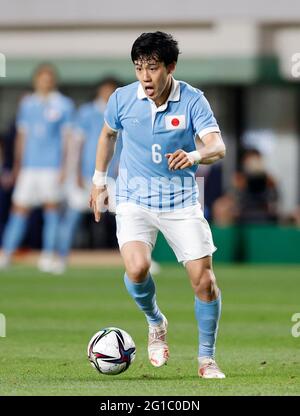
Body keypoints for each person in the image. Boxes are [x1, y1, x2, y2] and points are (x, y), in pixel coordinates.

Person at [90, 32, 226, 378]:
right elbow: (107, 135)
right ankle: (155, 322)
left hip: (181, 201)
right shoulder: (122, 99)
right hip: (134, 198)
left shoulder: (193, 100)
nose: (145, 77)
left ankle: (206, 358)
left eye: (152, 68)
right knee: (136, 269)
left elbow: (217, 146)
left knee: (204, 281)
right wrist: (98, 180)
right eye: (139, 68)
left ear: (170, 67)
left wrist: (194, 154)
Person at [0, 64, 74, 271]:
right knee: (19, 210)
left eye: (49, 78)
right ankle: (6, 253)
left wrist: (64, 167)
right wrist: (17, 165)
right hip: (29, 167)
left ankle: (49, 255)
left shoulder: (64, 104)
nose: (45, 81)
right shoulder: (28, 104)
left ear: (54, 80)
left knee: (51, 211)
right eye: (42, 78)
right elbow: (22, 136)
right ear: (36, 80)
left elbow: (67, 139)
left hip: (51, 166)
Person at [51, 78, 122, 274]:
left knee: (128, 217)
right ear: (99, 91)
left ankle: (141, 259)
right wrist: (74, 173)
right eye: (106, 90)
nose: (108, 93)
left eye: (112, 90)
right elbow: (76, 145)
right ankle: (60, 258)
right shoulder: (86, 113)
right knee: (72, 217)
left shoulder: (123, 111)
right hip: (87, 175)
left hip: (115, 177)